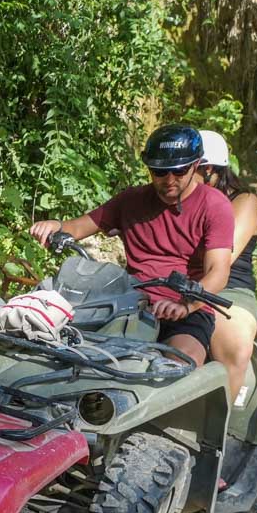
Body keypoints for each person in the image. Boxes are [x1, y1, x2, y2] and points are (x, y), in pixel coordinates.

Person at [31, 125, 234, 368]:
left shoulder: (214, 204)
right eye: (160, 172)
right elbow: (78, 226)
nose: (169, 180)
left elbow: (219, 272)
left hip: (186, 309)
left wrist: (186, 304)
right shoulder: (131, 199)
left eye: (179, 171)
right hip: (127, 302)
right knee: (70, 354)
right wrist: (55, 225)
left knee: (181, 365)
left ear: (195, 165)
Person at [199, 129, 257, 402]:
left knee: (233, 343)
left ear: (210, 169)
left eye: (184, 171)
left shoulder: (244, 201)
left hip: (228, 289)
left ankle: (215, 436)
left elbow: (222, 257)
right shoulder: (175, 197)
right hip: (170, 280)